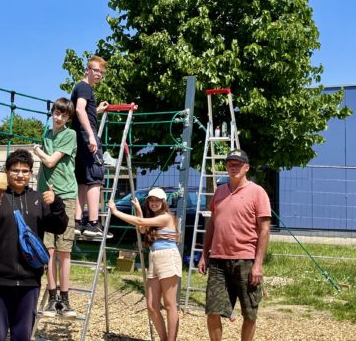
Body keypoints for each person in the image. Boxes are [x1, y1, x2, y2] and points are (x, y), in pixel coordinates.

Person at [0, 149, 67, 341]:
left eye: (25, 171)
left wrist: (57, 204)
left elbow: (59, 227)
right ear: (6, 172)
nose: (20, 175)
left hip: (29, 281)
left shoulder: (38, 199)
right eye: (15, 170)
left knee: (23, 335)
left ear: (31, 174)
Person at [197, 150, 271, 341]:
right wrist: (204, 254)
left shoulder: (258, 192)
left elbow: (264, 230)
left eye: (238, 164)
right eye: (230, 164)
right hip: (218, 260)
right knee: (213, 310)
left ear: (247, 167)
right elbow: (212, 224)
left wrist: (258, 264)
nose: (234, 167)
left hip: (245, 260)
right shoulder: (220, 191)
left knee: (249, 312)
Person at [107, 188, 180, 341]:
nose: (154, 203)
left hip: (168, 257)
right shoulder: (153, 218)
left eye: (157, 200)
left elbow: (140, 223)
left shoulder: (166, 217)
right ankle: (164, 339)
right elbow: (141, 229)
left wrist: (116, 212)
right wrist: (139, 210)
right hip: (154, 258)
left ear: (163, 202)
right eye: (151, 200)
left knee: (169, 304)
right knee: (152, 305)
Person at [32, 98, 79, 318]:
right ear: (52, 113)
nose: (59, 118)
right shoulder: (46, 133)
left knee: (64, 250)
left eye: (63, 115)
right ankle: (52, 298)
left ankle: (65, 297)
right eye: (56, 113)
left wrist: (38, 152)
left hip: (65, 196)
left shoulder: (69, 135)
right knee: (47, 249)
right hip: (45, 196)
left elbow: (50, 161)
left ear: (68, 118)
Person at [70, 55, 110, 237]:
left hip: (78, 138)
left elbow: (82, 110)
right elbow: (79, 109)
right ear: (87, 70)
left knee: (82, 179)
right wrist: (92, 136)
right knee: (95, 177)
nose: (99, 74)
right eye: (96, 70)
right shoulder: (85, 87)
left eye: (102, 72)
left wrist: (97, 110)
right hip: (87, 137)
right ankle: (93, 223)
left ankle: (77, 222)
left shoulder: (80, 87)